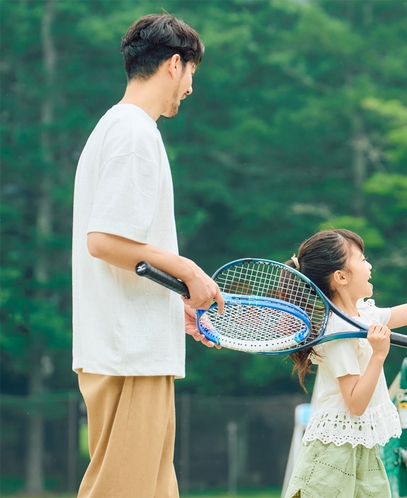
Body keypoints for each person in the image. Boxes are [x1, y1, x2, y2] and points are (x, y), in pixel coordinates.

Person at [71, 13, 223, 498]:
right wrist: (189, 271)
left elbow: (124, 249)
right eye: (192, 75)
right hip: (127, 354)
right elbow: (105, 241)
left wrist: (170, 299)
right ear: (174, 65)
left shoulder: (121, 129)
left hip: (134, 350)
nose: (191, 89)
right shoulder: (134, 133)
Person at [283, 214, 407, 498]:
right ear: (340, 277)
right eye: (362, 260)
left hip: (363, 447)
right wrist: (378, 355)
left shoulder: (365, 314)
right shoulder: (336, 332)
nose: (370, 265)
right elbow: (355, 403)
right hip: (333, 452)